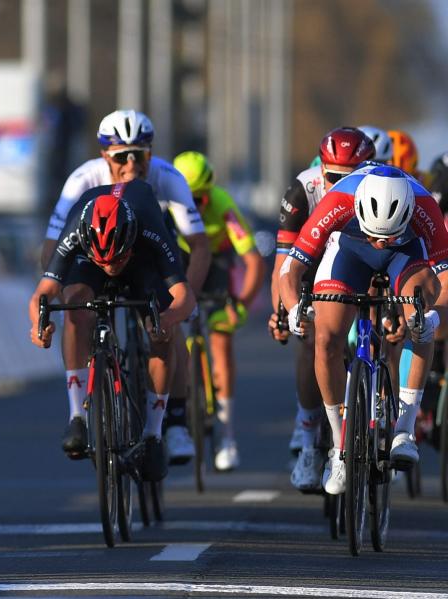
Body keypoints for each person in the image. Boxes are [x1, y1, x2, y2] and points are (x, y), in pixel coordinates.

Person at [39, 109, 210, 464]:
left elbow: (199, 245)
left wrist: (181, 304)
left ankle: (173, 423)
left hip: (148, 242)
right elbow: (51, 248)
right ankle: (78, 414)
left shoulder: (168, 177)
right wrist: (60, 284)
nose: (131, 163)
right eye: (121, 156)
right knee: (76, 307)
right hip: (94, 248)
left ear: (151, 153)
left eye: (140, 154)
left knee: (167, 324)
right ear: (105, 156)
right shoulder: (83, 179)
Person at [278, 164, 448, 494]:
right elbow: (291, 268)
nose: (380, 243)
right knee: (326, 339)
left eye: (387, 236)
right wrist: (294, 308)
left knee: (420, 315)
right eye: (374, 234)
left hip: (407, 254)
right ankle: (340, 448)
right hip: (349, 250)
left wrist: (432, 320)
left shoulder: (425, 206)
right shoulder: (338, 199)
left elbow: (445, 279)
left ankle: (404, 429)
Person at [28, 180, 196, 481]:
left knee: (160, 327)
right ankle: (77, 416)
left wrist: (168, 319)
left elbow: (185, 297)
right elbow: (44, 292)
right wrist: (39, 325)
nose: (110, 268)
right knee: (77, 308)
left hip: (141, 261)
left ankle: (154, 433)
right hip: (88, 257)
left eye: (115, 260)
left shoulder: (148, 226)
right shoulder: (77, 230)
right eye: (105, 261)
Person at [269, 126, 375, 490]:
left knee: (383, 325)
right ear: (321, 170)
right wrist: (283, 312)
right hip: (312, 262)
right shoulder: (303, 189)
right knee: (313, 337)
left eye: (352, 178)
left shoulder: (382, 187)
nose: (341, 185)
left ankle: (382, 418)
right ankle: (310, 435)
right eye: (334, 178)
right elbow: (284, 265)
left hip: (367, 257)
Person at [172, 151, 265, 471]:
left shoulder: (223, 205)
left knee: (220, 340)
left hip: (216, 266)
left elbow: (252, 261)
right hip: (179, 264)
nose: (194, 206)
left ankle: (226, 437)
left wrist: (241, 302)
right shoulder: (164, 205)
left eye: (200, 199)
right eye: (187, 199)